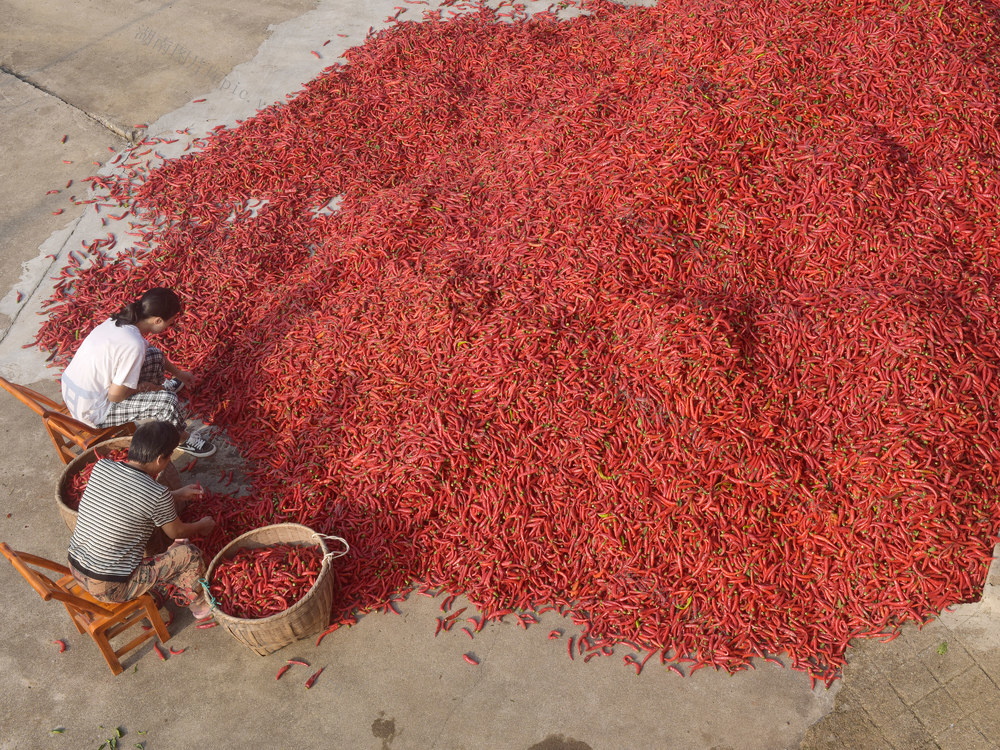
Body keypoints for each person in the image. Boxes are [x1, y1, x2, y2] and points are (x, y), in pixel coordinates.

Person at [68, 421, 217, 619]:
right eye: (169, 456)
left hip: (76, 566)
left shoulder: (102, 467)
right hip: (110, 586)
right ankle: (199, 606)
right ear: (159, 460)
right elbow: (177, 532)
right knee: (189, 554)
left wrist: (178, 494)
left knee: (165, 542)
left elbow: (129, 498)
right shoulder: (157, 493)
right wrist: (203, 525)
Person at [60, 286, 215, 457]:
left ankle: (159, 401)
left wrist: (180, 374)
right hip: (94, 410)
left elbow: (149, 356)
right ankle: (181, 439)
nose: (171, 325)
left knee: (154, 355)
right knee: (167, 401)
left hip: (76, 390)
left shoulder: (117, 322)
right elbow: (115, 396)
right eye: (170, 321)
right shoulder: (134, 344)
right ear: (157, 321)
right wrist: (145, 387)